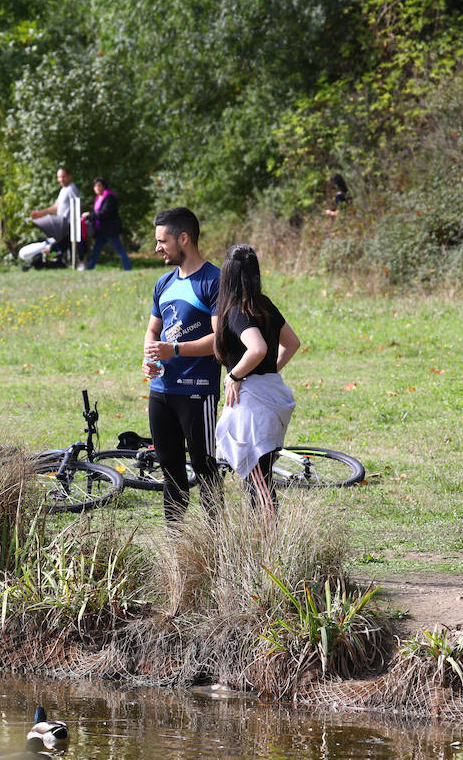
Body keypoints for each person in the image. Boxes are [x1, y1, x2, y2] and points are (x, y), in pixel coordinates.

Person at [141, 207, 221, 521]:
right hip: (161, 392)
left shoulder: (214, 281)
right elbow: (152, 330)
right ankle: (176, 545)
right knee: (170, 471)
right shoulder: (163, 283)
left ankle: (218, 541)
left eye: (163, 241)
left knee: (205, 468)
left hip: (197, 392)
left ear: (183, 239)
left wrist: (173, 349)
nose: (157, 247)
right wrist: (149, 358)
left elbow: (219, 340)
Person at [212, 245, 300, 514]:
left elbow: (258, 348)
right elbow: (292, 343)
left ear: (227, 274)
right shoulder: (265, 304)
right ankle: (263, 542)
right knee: (260, 478)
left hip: (253, 402)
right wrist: (268, 371)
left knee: (259, 480)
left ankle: (268, 545)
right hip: (273, 393)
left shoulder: (237, 310)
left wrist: (236, 374)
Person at [83, 177, 132, 270]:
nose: (97, 188)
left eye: (99, 185)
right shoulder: (98, 198)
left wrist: (90, 215)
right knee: (95, 251)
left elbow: (104, 213)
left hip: (110, 230)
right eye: (95, 186)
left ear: (104, 186)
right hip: (101, 230)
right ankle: (89, 268)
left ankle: (128, 268)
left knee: (120, 250)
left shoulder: (109, 197)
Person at [29, 167, 80, 242]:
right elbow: (56, 206)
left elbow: (77, 205)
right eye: (59, 177)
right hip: (60, 227)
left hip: (69, 226)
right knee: (55, 247)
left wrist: (77, 224)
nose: (61, 179)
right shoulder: (63, 190)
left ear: (69, 176)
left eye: (63, 176)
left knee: (65, 248)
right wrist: (41, 213)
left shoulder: (71, 188)